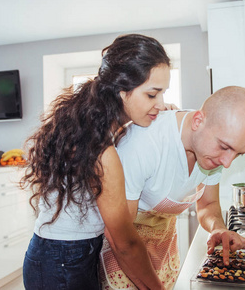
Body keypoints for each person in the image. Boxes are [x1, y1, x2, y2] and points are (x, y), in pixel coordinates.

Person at [20, 34, 172, 290]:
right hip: (63, 264)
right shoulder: (101, 152)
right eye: (152, 95)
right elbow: (125, 244)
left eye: (162, 94)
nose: (161, 104)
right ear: (121, 91)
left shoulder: (92, 125)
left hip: (57, 255)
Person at [100, 86, 245, 289]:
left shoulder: (212, 153)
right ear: (197, 122)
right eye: (225, 147)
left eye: (238, 153)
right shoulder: (143, 143)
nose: (227, 162)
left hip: (164, 251)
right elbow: (121, 239)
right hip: (124, 255)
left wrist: (218, 228)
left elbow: (209, 205)